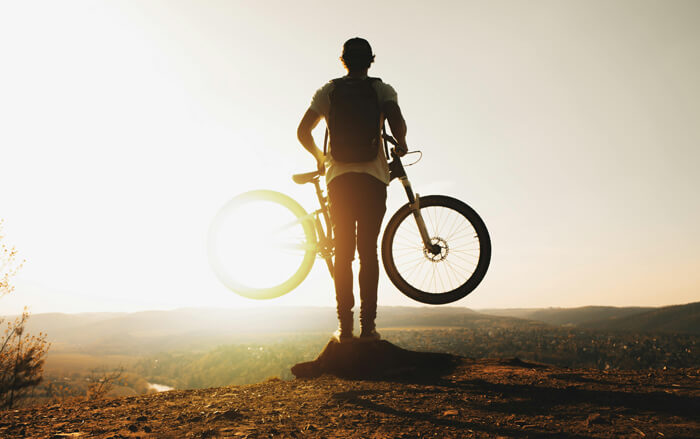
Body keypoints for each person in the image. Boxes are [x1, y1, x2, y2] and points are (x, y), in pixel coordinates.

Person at [297, 38, 408, 342]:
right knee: (368, 252)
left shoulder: (328, 91)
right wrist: (402, 143)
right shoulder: (382, 89)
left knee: (343, 252)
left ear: (342, 60)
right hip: (373, 179)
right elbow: (396, 120)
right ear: (370, 60)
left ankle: (345, 329)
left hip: (339, 180)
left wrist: (322, 159)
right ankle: (368, 327)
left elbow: (302, 131)